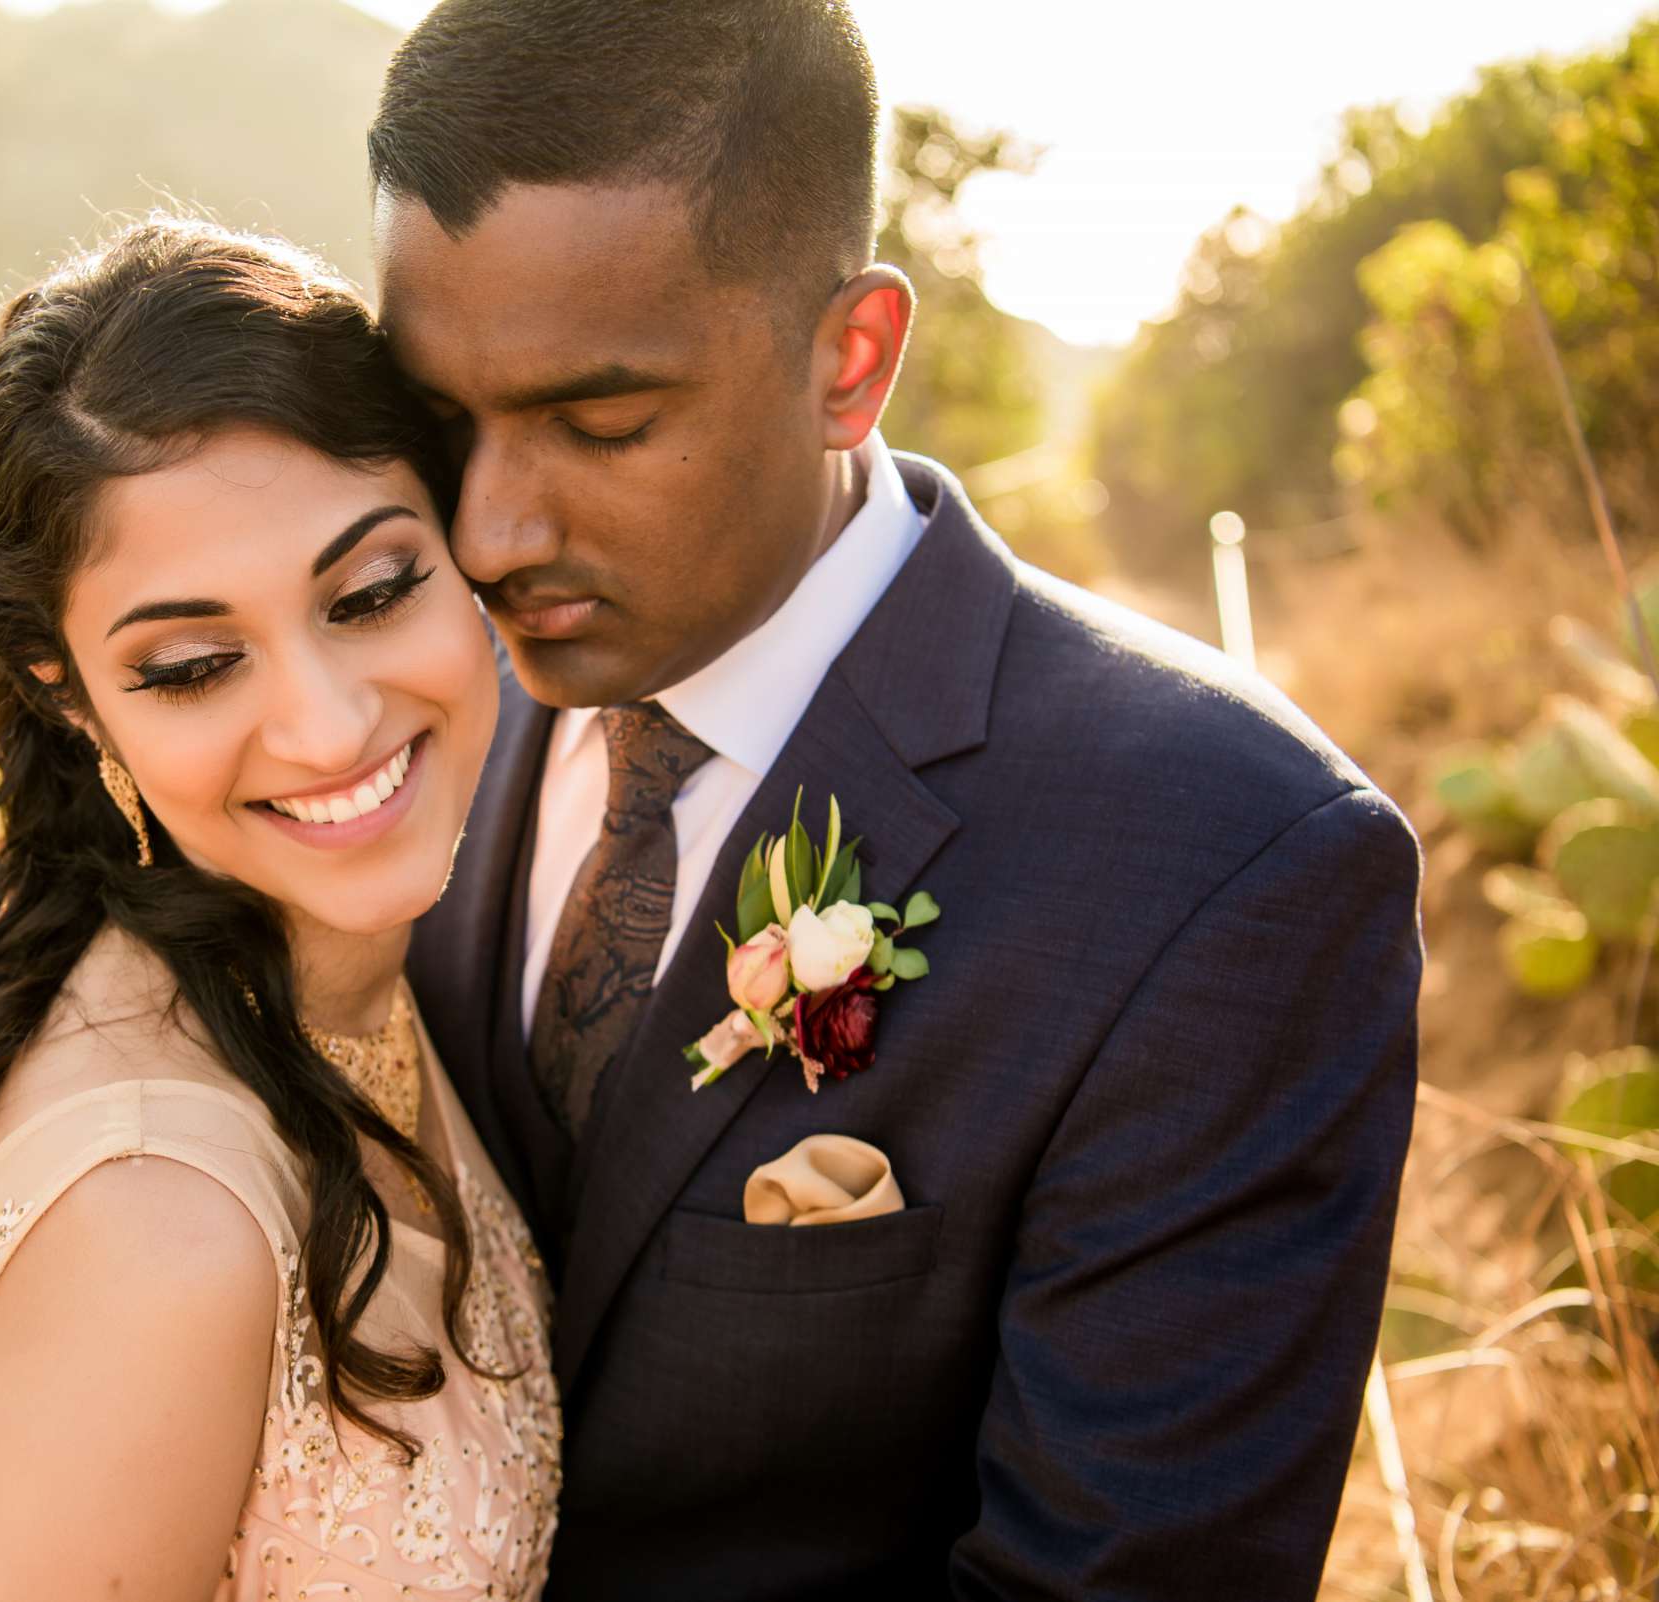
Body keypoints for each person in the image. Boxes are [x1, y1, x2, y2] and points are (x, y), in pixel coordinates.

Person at [375, 2, 1426, 1597]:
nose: (490, 528)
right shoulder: (380, 725)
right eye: (436, 422)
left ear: (848, 361)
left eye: (601, 422)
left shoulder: (1233, 864)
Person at [0, 217, 560, 1601]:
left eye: (372, 592)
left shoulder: (351, 974)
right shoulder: (155, 1223)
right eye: (196, 666)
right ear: (69, 692)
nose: (324, 729)